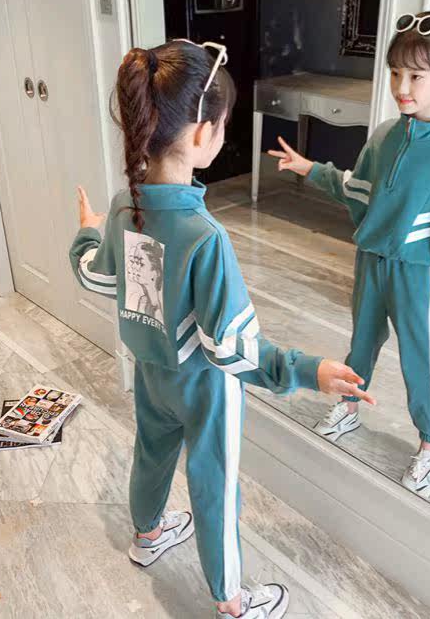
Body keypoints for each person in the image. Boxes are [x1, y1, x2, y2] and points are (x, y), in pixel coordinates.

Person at [69, 39, 375, 619]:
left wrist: (88, 229)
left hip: (152, 373)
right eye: (224, 121)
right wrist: (308, 370)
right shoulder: (205, 237)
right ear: (202, 132)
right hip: (206, 391)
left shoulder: (122, 205)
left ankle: (148, 534)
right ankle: (233, 603)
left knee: (151, 453)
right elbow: (233, 350)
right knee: (215, 487)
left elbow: (95, 276)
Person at [269, 10, 430, 499]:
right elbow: (355, 188)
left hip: (418, 274)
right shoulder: (384, 136)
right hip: (371, 262)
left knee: (419, 359)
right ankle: (349, 406)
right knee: (361, 341)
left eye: (416, 76)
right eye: (396, 72)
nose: (402, 86)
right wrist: (310, 168)